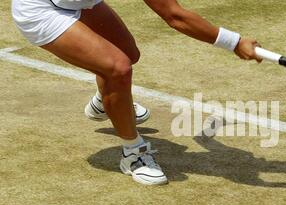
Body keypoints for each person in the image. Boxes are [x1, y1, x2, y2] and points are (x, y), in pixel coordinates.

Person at [11, 0, 261, 185]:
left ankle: (104, 104)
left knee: (129, 54)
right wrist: (235, 42)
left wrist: (234, 42)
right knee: (119, 69)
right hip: (40, 9)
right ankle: (133, 154)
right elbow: (177, 18)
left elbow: (173, 13)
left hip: (76, 2)